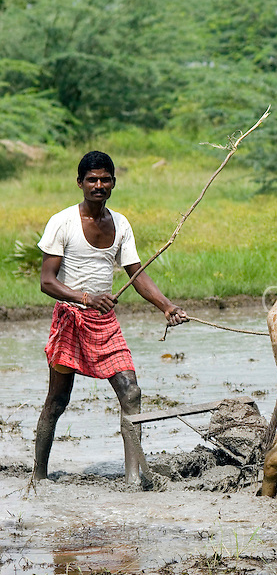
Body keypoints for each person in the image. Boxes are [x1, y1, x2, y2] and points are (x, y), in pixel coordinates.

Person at [32, 150, 187, 486]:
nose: (98, 185)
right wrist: (86, 297)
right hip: (71, 319)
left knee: (131, 392)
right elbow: (47, 282)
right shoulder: (64, 222)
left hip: (104, 322)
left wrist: (166, 306)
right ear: (80, 183)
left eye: (104, 179)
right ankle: (39, 476)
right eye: (92, 179)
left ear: (114, 183)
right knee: (57, 400)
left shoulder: (120, 223)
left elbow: (137, 274)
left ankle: (134, 479)